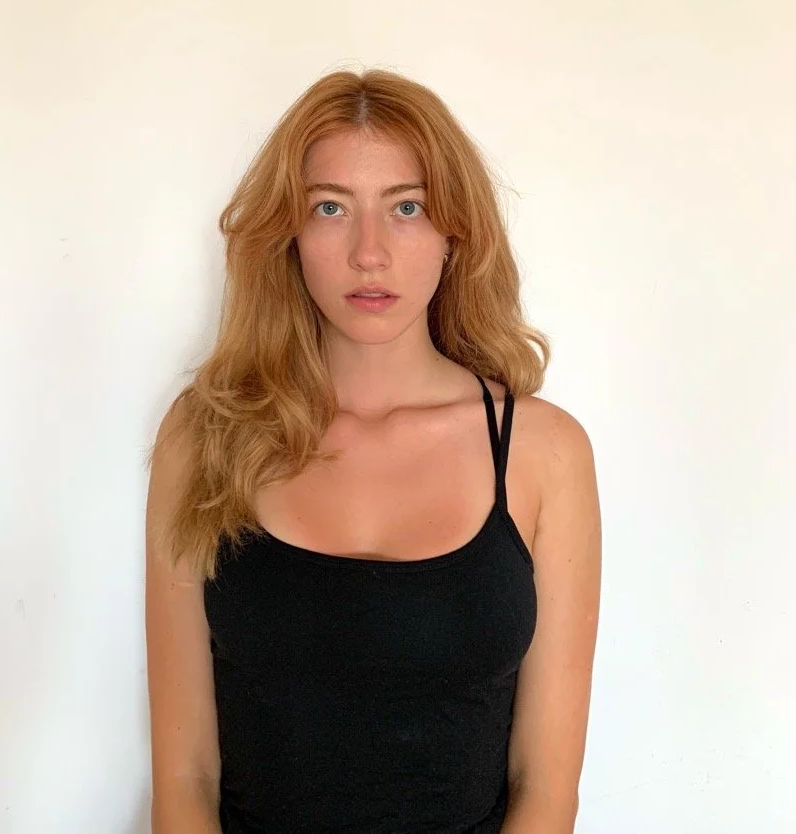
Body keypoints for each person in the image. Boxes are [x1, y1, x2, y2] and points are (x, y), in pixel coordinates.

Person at [144, 67, 602, 834]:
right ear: (289, 234)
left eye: (406, 207)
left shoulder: (542, 453)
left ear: (455, 232)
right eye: (330, 207)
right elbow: (186, 776)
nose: (369, 252)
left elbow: (546, 789)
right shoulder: (207, 435)